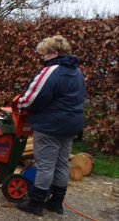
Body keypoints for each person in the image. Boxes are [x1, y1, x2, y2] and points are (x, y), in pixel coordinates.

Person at [16, 35, 85, 216]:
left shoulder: (52, 70)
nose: (42, 58)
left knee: (45, 165)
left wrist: (20, 105)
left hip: (50, 126)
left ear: (54, 53)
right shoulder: (77, 72)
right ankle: (56, 203)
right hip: (71, 125)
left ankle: (36, 204)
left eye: (44, 54)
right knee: (62, 163)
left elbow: (32, 98)